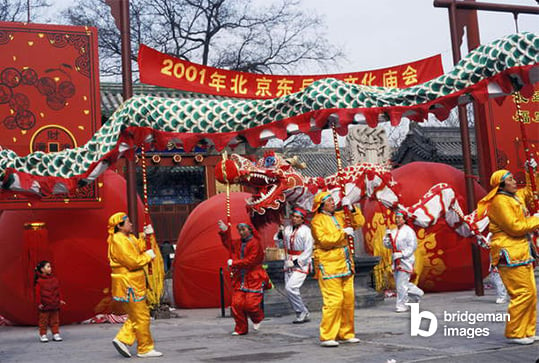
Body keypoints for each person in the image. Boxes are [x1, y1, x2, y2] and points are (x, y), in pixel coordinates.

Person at [477, 167, 539, 345]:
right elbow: (515, 227)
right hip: (508, 251)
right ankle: (515, 332)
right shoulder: (499, 202)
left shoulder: (515, 196)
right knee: (522, 293)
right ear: (501, 185)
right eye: (510, 179)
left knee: (531, 293)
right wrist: (536, 219)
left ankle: (527, 330)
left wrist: (532, 171)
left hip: (521, 250)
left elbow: (532, 190)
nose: (514, 182)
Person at [310, 191, 365, 347]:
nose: (333, 202)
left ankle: (346, 333)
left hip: (345, 261)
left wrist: (351, 208)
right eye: (329, 201)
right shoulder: (317, 221)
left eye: (333, 200)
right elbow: (325, 241)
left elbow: (358, 223)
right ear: (322, 205)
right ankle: (327, 335)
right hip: (329, 263)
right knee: (334, 300)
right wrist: (342, 233)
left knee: (348, 299)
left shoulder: (341, 215)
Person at [107, 212, 163, 358]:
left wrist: (147, 235)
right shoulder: (118, 240)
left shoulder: (129, 237)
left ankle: (122, 339)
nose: (131, 224)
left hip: (134, 280)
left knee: (136, 315)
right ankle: (144, 348)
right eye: (128, 222)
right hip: (128, 282)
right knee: (142, 315)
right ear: (119, 226)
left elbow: (141, 247)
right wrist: (147, 257)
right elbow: (132, 261)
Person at [218, 220, 271, 336]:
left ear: (250, 230)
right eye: (239, 230)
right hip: (240, 278)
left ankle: (257, 318)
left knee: (251, 304)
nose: (241, 232)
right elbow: (229, 244)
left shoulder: (255, 243)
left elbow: (250, 261)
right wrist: (225, 231)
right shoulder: (238, 243)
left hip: (254, 277)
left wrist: (234, 263)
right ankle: (240, 328)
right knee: (236, 304)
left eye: (243, 230)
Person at [274, 207, 313, 323]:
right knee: (289, 289)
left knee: (291, 287)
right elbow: (281, 244)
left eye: (297, 217)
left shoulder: (306, 231)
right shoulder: (287, 229)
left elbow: (309, 249)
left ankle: (302, 311)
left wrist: (297, 262)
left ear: (302, 219)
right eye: (293, 216)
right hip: (288, 261)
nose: (294, 219)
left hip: (301, 262)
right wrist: (280, 234)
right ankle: (301, 312)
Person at [383, 211, 424, 313]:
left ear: (404, 219)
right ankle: (417, 292)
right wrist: (387, 238)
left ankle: (402, 305)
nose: (397, 219)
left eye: (399, 218)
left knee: (401, 284)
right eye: (396, 217)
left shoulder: (409, 231)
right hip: (395, 259)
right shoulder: (393, 231)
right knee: (400, 283)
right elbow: (389, 246)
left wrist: (402, 254)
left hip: (405, 260)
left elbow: (412, 246)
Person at [34, 260, 66, 343]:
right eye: (48, 267)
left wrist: (60, 300)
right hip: (45, 305)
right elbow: (37, 294)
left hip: (54, 303)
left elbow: (58, 290)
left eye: (50, 266)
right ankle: (43, 334)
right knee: (43, 321)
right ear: (42, 269)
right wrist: (39, 303)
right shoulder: (39, 281)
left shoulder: (54, 279)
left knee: (55, 320)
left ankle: (55, 333)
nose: (50, 268)